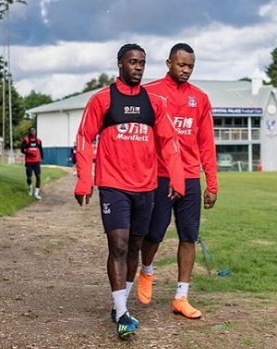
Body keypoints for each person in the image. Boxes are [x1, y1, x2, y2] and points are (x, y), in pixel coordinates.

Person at [73, 43, 185, 339]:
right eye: (133, 62)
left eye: (142, 62)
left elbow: (170, 143)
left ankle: (120, 301)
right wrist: (85, 180)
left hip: (146, 187)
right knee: (119, 246)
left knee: (135, 246)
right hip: (113, 186)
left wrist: (177, 178)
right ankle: (122, 314)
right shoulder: (102, 100)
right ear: (120, 64)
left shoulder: (155, 102)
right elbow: (84, 138)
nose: (138, 67)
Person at [138, 43, 218, 319]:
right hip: (159, 176)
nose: (186, 70)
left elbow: (206, 143)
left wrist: (212, 183)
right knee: (154, 233)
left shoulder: (200, 98)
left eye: (190, 66)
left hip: (189, 178)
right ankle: (146, 270)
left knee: (188, 236)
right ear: (169, 63)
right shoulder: (149, 93)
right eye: (181, 65)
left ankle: (181, 296)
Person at [21, 127, 43, 200]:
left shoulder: (38, 141)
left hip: (36, 162)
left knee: (38, 176)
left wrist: (42, 158)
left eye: (34, 131)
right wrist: (29, 154)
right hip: (29, 161)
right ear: (29, 132)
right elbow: (22, 150)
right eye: (31, 131)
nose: (33, 132)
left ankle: (36, 193)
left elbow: (41, 149)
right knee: (29, 177)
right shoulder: (26, 140)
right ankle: (30, 187)